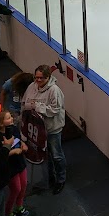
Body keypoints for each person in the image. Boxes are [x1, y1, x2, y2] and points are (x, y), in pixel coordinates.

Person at [22, 65, 66, 194]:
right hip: (36, 128)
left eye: (41, 78)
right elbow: (25, 103)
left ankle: (61, 180)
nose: (38, 80)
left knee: (56, 155)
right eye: (36, 77)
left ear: (48, 77)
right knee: (43, 155)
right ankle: (50, 177)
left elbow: (55, 110)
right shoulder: (31, 86)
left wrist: (37, 106)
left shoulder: (54, 91)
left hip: (52, 129)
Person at [0, 110, 29, 216]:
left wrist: (23, 145)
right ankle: (8, 212)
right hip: (10, 167)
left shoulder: (13, 129)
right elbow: (1, 154)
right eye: (8, 118)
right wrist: (14, 151)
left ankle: (19, 206)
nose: (12, 119)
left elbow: (19, 140)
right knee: (16, 189)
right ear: (1, 123)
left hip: (20, 163)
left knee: (23, 185)